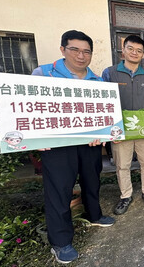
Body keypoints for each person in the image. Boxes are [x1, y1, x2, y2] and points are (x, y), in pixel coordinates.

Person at [32, 30, 115, 264]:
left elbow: (103, 115)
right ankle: (60, 242)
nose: (81, 55)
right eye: (75, 50)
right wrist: (36, 138)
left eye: (86, 51)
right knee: (59, 189)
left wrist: (103, 133)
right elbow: (29, 108)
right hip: (57, 144)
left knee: (92, 179)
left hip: (89, 142)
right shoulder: (44, 74)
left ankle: (94, 214)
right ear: (62, 50)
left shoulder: (97, 81)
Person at [102, 35, 144, 215]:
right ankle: (125, 195)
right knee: (122, 165)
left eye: (139, 51)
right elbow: (104, 104)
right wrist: (110, 132)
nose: (135, 53)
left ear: (143, 55)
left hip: (143, 129)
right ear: (123, 50)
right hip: (119, 129)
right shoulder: (109, 73)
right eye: (131, 49)